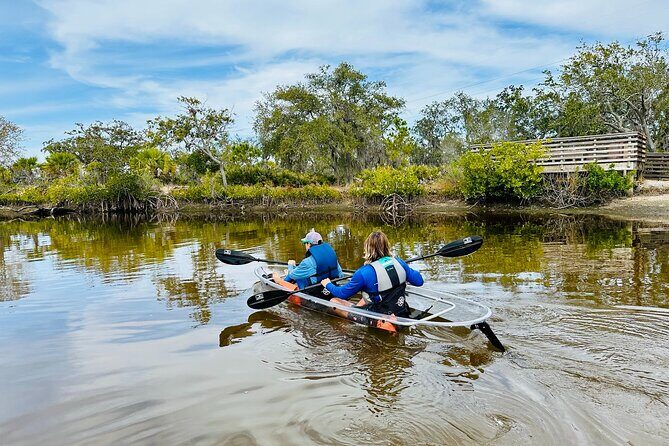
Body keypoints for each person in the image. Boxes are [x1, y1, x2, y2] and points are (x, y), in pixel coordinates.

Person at [320, 231, 423, 317]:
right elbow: (419, 281)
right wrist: (405, 268)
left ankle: (346, 327)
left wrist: (328, 284)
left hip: (378, 316)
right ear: (387, 246)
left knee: (334, 301)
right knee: (368, 296)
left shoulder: (363, 272)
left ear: (368, 249)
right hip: (401, 311)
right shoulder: (399, 262)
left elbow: (341, 293)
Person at [272, 228, 344, 291]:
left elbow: (292, 275)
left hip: (314, 290)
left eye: (305, 244)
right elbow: (341, 274)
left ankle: (281, 283)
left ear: (308, 244)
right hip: (329, 285)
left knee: (296, 276)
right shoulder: (332, 257)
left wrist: (290, 265)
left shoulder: (307, 262)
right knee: (299, 272)